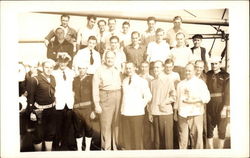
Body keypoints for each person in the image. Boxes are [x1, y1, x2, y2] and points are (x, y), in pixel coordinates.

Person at [174, 63, 210, 149]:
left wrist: (194, 101)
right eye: (186, 70)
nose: (187, 72)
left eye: (189, 70)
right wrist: (175, 113)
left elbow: (207, 98)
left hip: (196, 113)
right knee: (182, 139)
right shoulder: (180, 84)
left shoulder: (200, 83)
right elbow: (177, 99)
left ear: (194, 71)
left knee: (197, 139)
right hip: (182, 114)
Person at [92, 51, 122, 150]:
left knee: (117, 123)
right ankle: (106, 150)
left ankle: (116, 148)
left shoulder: (119, 69)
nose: (110, 60)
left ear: (115, 59)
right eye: (108, 57)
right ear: (104, 58)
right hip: (106, 96)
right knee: (106, 125)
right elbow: (95, 87)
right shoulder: (99, 70)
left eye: (112, 58)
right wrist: (96, 104)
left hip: (118, 96)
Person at [120, 62, 152, 150]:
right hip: (126, 112)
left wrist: (140, 105)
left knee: (136, 137)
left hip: (137, 113)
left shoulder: (142, 81)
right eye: (127, 68)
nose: (128, 70)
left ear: (135, 68)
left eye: (130, 68)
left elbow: (148, 96)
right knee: (127, 137)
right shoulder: (125, 81)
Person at [27, 59, 56, 151]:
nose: (49, 69)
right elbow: (30, 97)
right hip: (39, 111)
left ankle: (48, 155)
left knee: (50, 134)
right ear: (42, 68)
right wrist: (31, 112)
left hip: (51, 110)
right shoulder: (35, 79)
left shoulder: (53, 78)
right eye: (46, 67)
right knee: (38, 135)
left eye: (51, 67)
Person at [148, 60, 176, 149]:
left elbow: (173, 96)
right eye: (154, 67)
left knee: (167, 141)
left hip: (165, 113)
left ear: (163, 68)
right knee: (156, 141)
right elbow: (150, 99)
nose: (155, 69)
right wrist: (150, 112)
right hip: (155, 113)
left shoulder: (168, 80)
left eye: (158, 67)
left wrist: (165, 102)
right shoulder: (152, 82)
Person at [52, 53, 76, 150]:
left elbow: (74, 86)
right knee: (58, 126)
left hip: (69, 102)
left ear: (67, 62)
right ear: (58, 61)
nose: (62, 64)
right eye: (61, 61)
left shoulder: (72, 72)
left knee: (67, 126)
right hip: (58, 102)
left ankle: (65, 146)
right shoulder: (54, 73)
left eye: (65, 61)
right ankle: (56, 146)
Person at [206, 56, 230, 149]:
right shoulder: (208, 74)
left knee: (222, 128)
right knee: (209, 127)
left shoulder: (226, 75)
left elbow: (228, 92)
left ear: (219, 63)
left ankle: (220, 150)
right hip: (210, 104)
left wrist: (225, 108)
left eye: (216, 63)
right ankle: (211, 150)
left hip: (221, 104)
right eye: (212, 64)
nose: (214, 65)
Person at [72, 63, 96, 151]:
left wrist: (93, 110)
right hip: (77, 109)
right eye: (80, 68)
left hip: (88, 109)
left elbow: (94, 95)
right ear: (78, 69)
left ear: (87, 69)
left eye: (83, 68)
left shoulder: (91, 79)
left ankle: (87, 149)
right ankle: (79, 150)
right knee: (78, 129)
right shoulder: (74, 80)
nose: (82, 70)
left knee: (88, 129)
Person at [139, 61, 154, 149]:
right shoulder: (137, 77)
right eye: (142, 66)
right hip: (139, 105)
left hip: (148, 105)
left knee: (147, 126)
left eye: (145, 67)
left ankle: (147, 147)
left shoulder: (151, 78)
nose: (143, 68)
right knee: (139, 126)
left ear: (148, 68)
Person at [195, 60, 207, 148]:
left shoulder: (206, 77)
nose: (198, 69)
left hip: (202, 105)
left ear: (203, 68)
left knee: (202, 127)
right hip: (190, 105)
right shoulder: (190, 75)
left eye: (200, 67)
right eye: (197, 67)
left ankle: (203, 147)